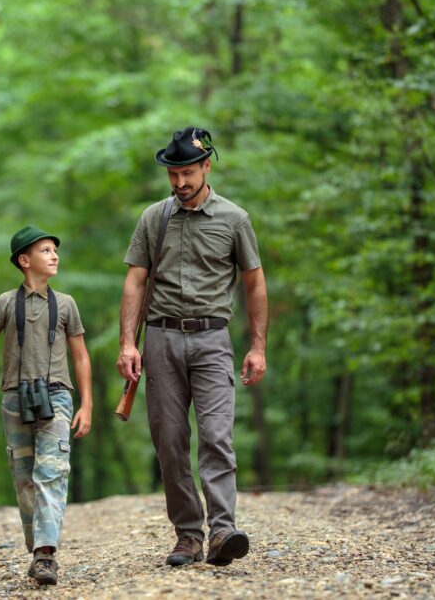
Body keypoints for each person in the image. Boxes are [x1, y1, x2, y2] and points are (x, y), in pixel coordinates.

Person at [116, 126, 268, 567]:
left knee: (217, 435)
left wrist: (257, 347)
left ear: (206, 166)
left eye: (187, 173)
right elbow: (134, 281)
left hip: (212, 339)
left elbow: (255, 283)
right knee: (169, 440)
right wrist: (128, 343)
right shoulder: (153, 218)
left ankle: (222, 530)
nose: (179, 182)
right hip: (161, 338)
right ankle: (187, 535)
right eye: (172, 174)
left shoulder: (234, 219)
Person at [0, 225, 93, 586]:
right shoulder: (5, 302)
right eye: (46, 250)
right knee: (24, 479)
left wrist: (88, 404)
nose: (54, 255)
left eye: (55, 250)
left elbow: (81, 358)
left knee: (50, 472)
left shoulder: (65, 304)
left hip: (57, 395)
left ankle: (46, 555)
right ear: (24, 260)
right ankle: (36, 547)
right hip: (14, 397)